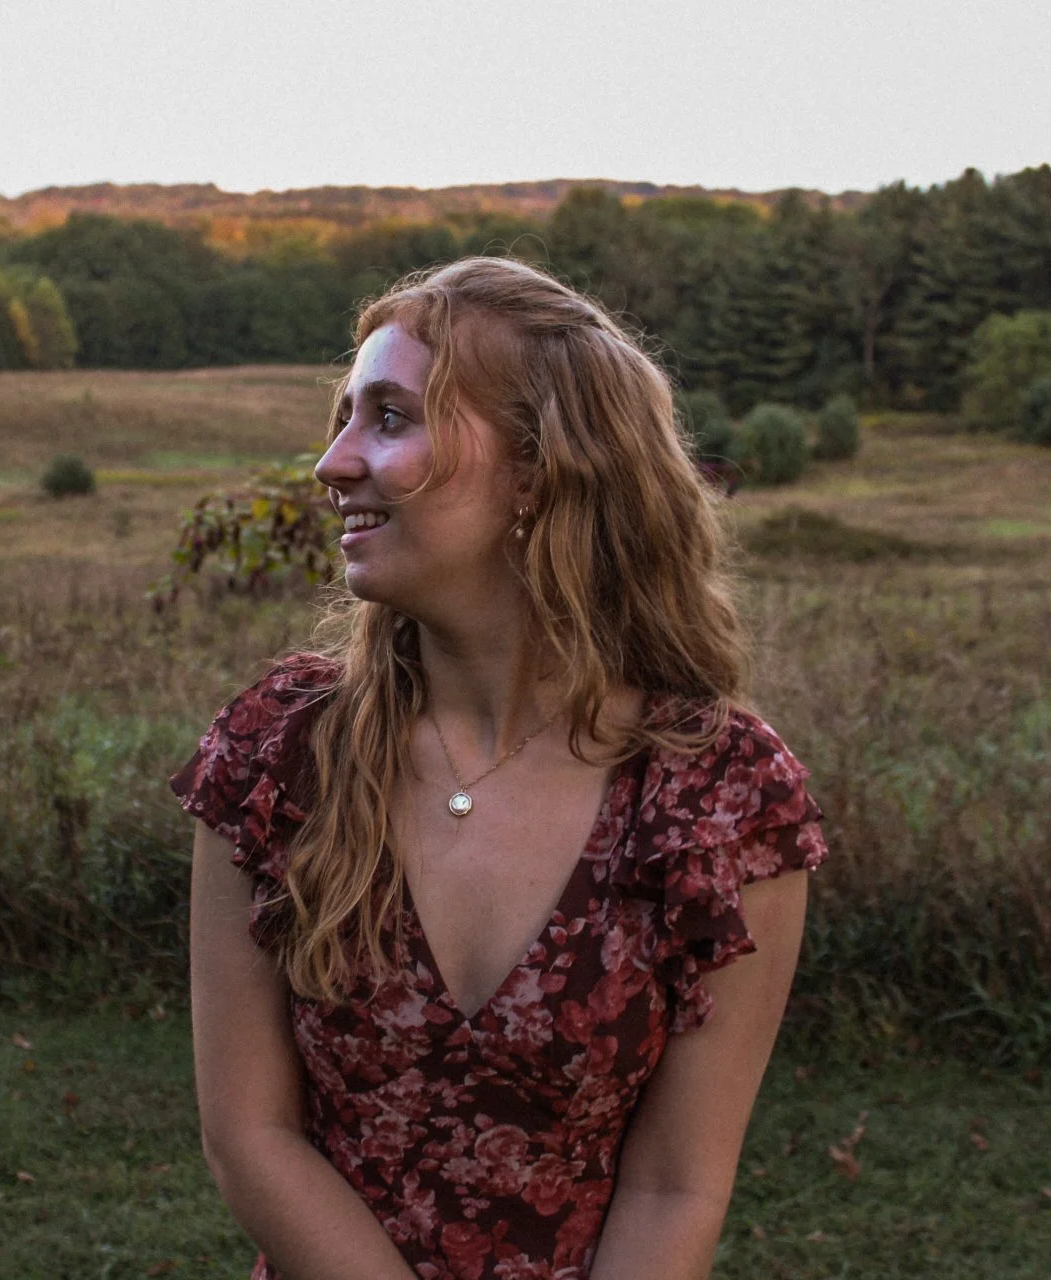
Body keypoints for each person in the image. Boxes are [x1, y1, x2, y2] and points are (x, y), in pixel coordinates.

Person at [173, 257, 827, 1280]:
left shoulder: (721, 797)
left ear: (538, 468)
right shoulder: (274, 754)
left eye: (388, 417)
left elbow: (677, 1186)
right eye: (344, 416)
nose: (331, 462)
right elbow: (251, 1135)